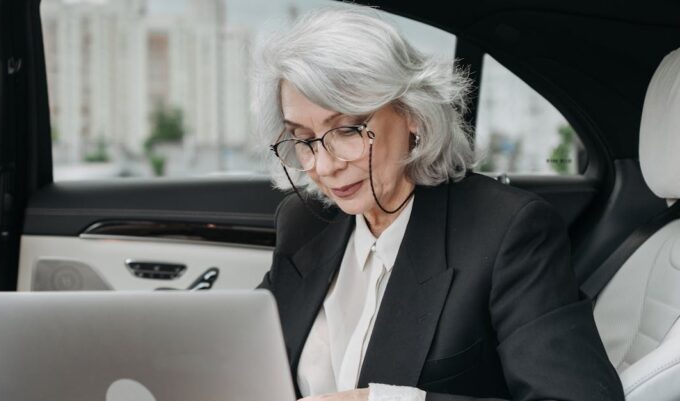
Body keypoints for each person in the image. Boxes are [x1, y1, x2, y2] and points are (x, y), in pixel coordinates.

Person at [254, 6, 624, 401]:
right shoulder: (303, 223)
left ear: (412, 114)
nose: (324, 166)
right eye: (302, 137)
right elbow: (252, 358)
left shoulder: (508, 232)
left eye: (347, 130)